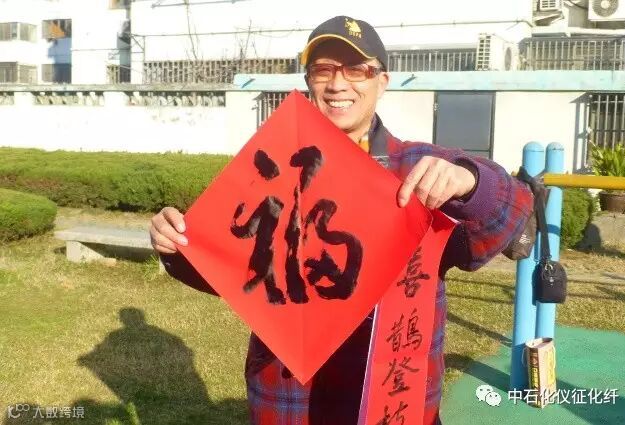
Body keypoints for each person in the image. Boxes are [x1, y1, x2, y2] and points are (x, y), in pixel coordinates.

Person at [149, 15, 533, 425]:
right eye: (324, 70)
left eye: (356, 70)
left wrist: (471, 183)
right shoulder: (277, 168)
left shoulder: (418, 168)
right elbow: (235, 269)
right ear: (308, 81)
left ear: (381, 82)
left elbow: (508, 216)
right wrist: (177, 246)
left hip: (394, 392)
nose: (337, 84)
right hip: (291, 394)